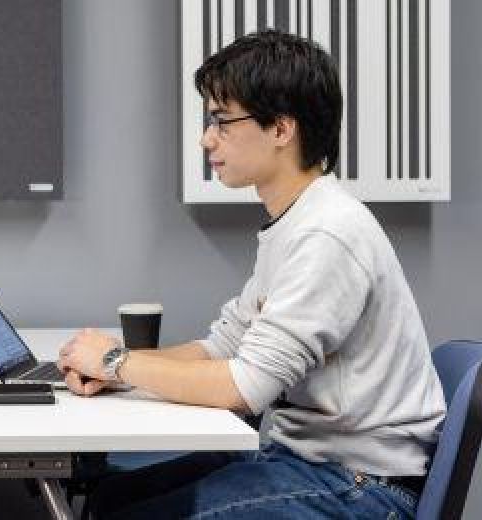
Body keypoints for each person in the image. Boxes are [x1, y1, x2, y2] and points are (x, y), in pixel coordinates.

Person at [55, 29, 447, 518]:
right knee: (108, 500)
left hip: (360, 487)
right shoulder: (295, 223)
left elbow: (244, 389)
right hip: (309, 464)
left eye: (222, 121)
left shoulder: (327, 234)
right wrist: (119, 372)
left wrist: (115, 361)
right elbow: (223, 347)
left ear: (282, 129)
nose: (206, 138)